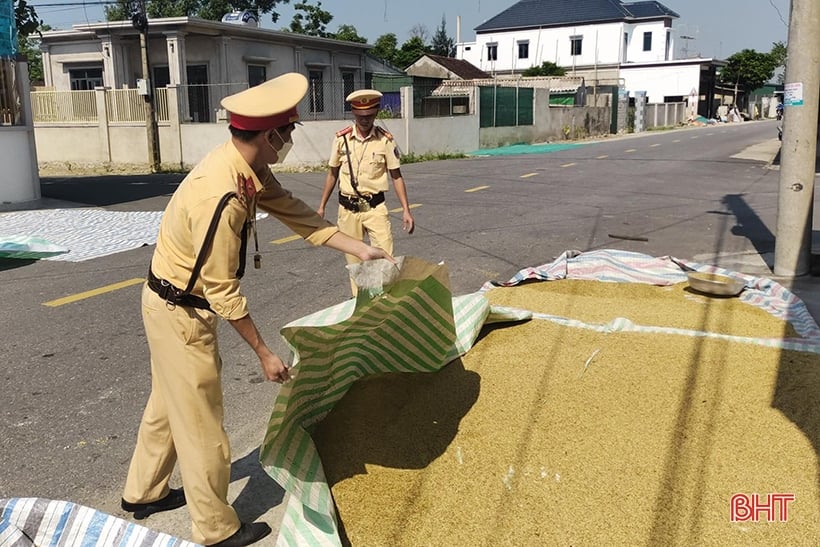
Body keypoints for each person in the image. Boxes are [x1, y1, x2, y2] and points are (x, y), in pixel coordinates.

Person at [120, 73, 394, 547]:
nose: (290, 140)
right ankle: (215, 528)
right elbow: (221, 289)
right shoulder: (223, 195)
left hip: (167, 302)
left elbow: (296, 213)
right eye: (287, 132)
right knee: (203, 421)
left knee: (169, 402)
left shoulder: (243, 170)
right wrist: (265, 353)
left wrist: (361, 248)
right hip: (181, 311)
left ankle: (142, 492)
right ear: (269, 136)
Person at [317, 89, 414, 294]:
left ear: (376, 113)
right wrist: (321, 207)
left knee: (386, 258)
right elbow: (332, 174)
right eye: (361, 116)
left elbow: (396, 176)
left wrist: (406, 210)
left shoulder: (385, 141)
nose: (365, 120)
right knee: (355, 263)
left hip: (375, 208)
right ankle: (359, 303)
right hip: (348, 210)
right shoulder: (341, 140)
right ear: (353, 113)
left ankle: (384, 299)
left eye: (369, 116)